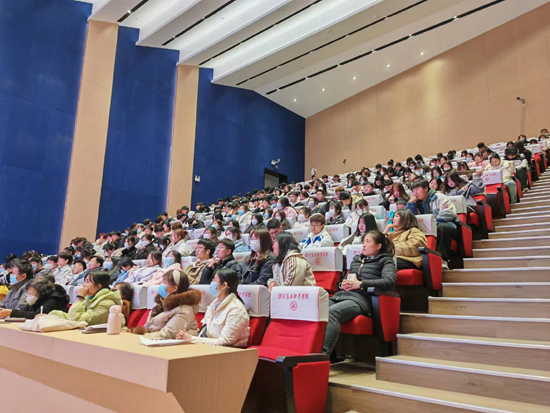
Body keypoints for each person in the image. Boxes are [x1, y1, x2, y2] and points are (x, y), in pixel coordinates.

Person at [322, 231, 396, 355]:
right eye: (363, 242)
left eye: (368, 241)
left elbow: (389, 281)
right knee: (317, 310)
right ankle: (308, 352)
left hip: (361, 299)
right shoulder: (356, 260)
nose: (364, 245)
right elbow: (345, 279)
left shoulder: (386, 261)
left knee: (332, 312)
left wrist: (361, 284)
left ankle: (322, 356)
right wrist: (342, 284)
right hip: (342, 296)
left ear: (378, 246)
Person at [176, 269, 250, 347]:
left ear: (224, 285)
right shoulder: (214, 305)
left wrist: (191, 339)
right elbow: (204, 334)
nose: (211, 283)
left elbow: (224, 341)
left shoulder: (236, 309)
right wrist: (185, 337)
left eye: (214, 280)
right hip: (210, 349)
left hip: (229, 351)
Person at [134, 269, 201, 339]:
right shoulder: (162, 302)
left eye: (164, 282)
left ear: (174, 288)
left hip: (170, 343)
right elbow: (148, 326)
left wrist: (142, 336)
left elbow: (167, 334)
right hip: (152, 339)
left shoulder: (185, 310)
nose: (161, 285)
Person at [406, 179, 457, 269]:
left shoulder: (439, 197)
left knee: (442, 227)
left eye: (417, 189)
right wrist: (410, 204)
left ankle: (443, 260)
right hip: (425, 229)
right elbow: (408, 218)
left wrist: (433, 224)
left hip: (444, 226)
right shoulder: (415, 202)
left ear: (426, 188)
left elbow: (448, 213)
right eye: (413, 191)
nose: (415, 193)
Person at [49, 272, 123, 326]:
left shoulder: (107, 303)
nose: (84, 285)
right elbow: (72, 316)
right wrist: (53, 314)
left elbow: (76, 320)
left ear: (98, 286)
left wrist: (79, 297)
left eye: (88, 282)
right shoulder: (89, 298)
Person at [0, 277, 69, 319]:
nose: (28, 293)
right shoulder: (37, 298)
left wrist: (11, 313)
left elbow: (37, 315)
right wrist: (7, 311)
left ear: (40, 290)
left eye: (30, 291)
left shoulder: (54, 299)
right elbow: (26, 310)